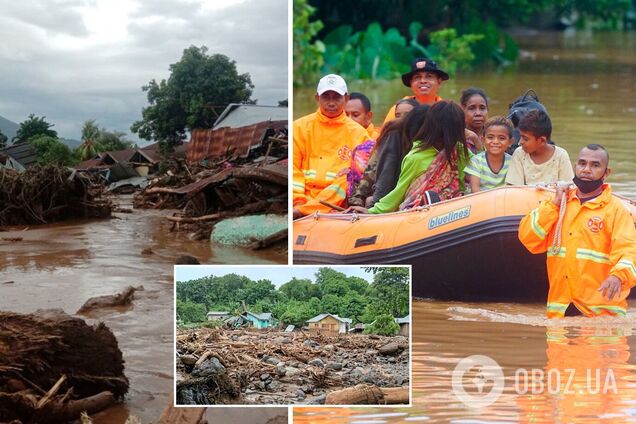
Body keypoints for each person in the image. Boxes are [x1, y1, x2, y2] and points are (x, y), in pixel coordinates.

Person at [518, 144, 636, 318]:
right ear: (575, 167)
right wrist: (554, 204)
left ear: (606, 172)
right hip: (559, 313)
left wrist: (618, 276)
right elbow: (528, 239)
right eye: (582, 163)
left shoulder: (616, 211)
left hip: (601, 316)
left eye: (595, 165)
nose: (586, 170)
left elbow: (628, 251)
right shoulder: (558, 205)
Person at [348, 100, 470, 214]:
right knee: (429, 197)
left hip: (454, 207)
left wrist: (476, 140)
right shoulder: (416, 157)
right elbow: (399, 191)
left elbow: (478, 168)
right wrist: (372, 211)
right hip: (419, 211)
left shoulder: (460, 151)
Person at [293, 74, 369, 218]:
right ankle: (302, 210)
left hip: (336, 201)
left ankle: (303, 212)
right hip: (303, 196)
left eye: (336, 97)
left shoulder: (359, 133)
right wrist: (298, 201)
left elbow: (366, 169)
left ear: (346, 99)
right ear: (317, 98)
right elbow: (293, 168)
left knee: (350, 176)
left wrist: (352, 171)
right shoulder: (299, 127)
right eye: (326, 97)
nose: (331, 102)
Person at [348, 100, 423, 208]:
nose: (402, 119)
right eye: (398, 115)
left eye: (407, 115)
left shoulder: (423, 140)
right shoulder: (393, 135)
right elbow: (376, 173)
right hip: (387, 196)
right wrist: (361, 201)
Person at [505, 109, 574, 185]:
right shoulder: (519, 154)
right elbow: (515, 189)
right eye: (520, 136)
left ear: (541, 140)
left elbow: (568, 188)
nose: (520, 142)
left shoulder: (561, 156)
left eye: (525, 139)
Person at [382, 57, 448, 123]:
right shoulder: (398, 110)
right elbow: (386, 132)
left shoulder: (446, 110)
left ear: (439, 82)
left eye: (429, 76)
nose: (423, 81)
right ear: (411, 83)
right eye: (417, 77)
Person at [465, 116, 513, 193]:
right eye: (490, 137)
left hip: (503, 199)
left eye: (501, 138)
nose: (495, 142)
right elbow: (475, 190)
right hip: (479, 199)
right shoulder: (476, 161)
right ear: (483, 140)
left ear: (510, 142)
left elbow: (512, 189)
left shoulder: (512, 162)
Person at [460, 87, 488, 152]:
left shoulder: (495, 135)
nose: (478, 113)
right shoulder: (455, 137)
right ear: (462, 110)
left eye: (482, 108)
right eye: (471, 108)